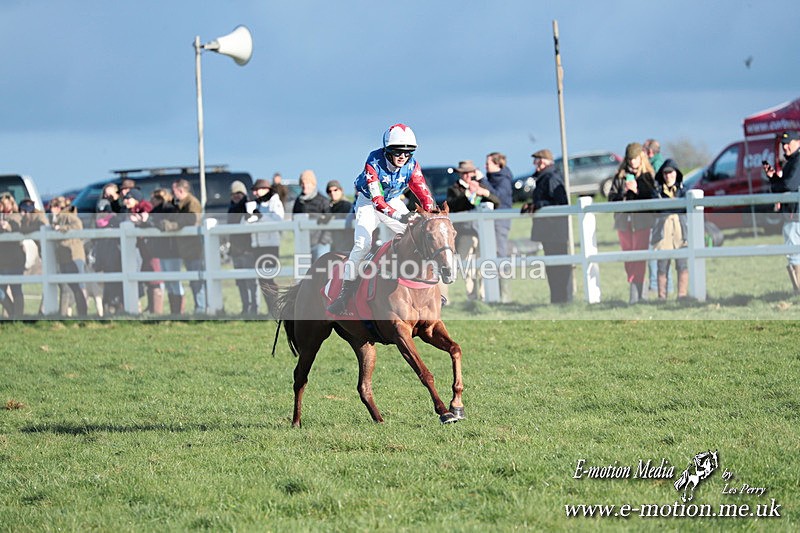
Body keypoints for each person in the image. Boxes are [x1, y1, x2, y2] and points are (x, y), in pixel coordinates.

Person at [327, 123, 436, 315]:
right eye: (397, 151)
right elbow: (377, 201)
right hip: (368, 202)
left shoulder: (412, 165)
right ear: (387, 150)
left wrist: (430, 214)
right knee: (363, 244)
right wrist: (400, 216)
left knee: (416, 236)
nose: (403, 156)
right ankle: (344, 294)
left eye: (408, 151)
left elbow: (422, 192)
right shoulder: (374, 162)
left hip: (392, 199)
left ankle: (425, 287)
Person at [608, 142, 657, 304]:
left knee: (639, 256)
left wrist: (637, 191)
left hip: (642, 222)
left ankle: (637, 295)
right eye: (630, 159)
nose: (632, 162)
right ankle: (635, 291)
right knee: (628, 257)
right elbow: (611, 198)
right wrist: (624, 192)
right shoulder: (620, 177)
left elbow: (651, 198)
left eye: (635, 159)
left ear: (641, 158)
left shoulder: (647, 176)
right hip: (624, 222)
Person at [523, 149, 573, 304]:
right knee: (552, 266)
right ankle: (557, 299)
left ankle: (561, 299)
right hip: (550, 230)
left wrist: (539, 205)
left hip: (554, 230)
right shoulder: (545, 177)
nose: (534, 164)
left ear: (544, 162)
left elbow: (560, 202)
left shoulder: (550, 177)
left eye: (537, 161)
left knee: (558, 266)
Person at [446, 160, 500, 302]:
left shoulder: (481, 186)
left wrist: (483, 192)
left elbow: (496, 201)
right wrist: (468, 194)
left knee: (483, 265)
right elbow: (453, 206)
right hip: (465, 233)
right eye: (464, 173)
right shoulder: (454, 189)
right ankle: (471, 297)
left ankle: (483, 296)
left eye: (470, 173)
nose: (468, 176)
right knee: (467, 267)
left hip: (482, 233)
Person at [764, 130, 800, 293]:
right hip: (793, 214)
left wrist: (776, 184)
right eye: (783, 144)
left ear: (798, 142)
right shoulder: (793, 160)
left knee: (793, 254)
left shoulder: (797, 160)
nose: (785, 146)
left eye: (788, 143)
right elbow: (786, 185)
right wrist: (774, 178)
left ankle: (798, 292)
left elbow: (789, 186)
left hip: (795, 216)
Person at [651, 159, 689, 299]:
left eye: (671, 172)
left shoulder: (684, 191)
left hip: (681, 231)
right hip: (663, 233)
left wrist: (669, 207)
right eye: (665, 173)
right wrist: (674, 206)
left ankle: (682, 296)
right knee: (662, 266)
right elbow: (658, 209)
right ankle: (662, 297)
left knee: (682, 264)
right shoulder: (656, 192)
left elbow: (683, 207)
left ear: (676, 174)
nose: (668, 176)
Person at [247, 178, 285, 315]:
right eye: (255, 190)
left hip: (270, 244)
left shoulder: (275, 202)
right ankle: (271, 309)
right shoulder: (254, 204)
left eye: (258, 190)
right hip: (257, 244)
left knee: (269, 278)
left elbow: (278, 220)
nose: (256, 193)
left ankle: (275, 308)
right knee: (262, 279)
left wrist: (261, 217)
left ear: (266, 189)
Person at [168, 179, 205, 314]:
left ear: (181, 190)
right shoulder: (181, 203)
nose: (173, 194)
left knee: (197, 280)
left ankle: (201, 308)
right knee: (194, 280)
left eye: (174, 191)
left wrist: (174, 225)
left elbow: (192, 219)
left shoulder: (192, 203)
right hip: (186, 248)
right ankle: (199, 307)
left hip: (194, 248)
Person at [49, 196, 88, 317]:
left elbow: (78, 226)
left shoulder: (67, 216)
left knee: (77, 286)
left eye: (53, 207)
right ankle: (69, 313)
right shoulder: (57, 218)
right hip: (64, 255)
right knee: (70, 286)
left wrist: (61, 228)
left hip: (74, 255)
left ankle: (81, 313)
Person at [125, 188, 162, 314]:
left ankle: (157, 310)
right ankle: (151, 307)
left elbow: (149, 223)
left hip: (152, 248)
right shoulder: (132, 210)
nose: (126, 201)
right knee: (148, 278)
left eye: (128, 198)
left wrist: (139, 220)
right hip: (144, 250)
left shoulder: (144, 207)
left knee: (154, 279)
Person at [149, 189, 185, 314]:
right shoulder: (156, 211)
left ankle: (179, 310)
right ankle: (174, 311)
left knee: (174, 281)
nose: (152, 201)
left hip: (172, 250)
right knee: (169, 282)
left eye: (155, 198)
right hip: (163, 251)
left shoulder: (170, 209)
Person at [484, 151, 514, 303]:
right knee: (491, 255)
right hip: (493, 221)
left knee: (500, 255)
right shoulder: (494, 178)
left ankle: (505, 294)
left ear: (498, 164)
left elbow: (498, 198)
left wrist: (483, 182)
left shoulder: (504, 180)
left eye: (488, 163)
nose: (485, 166)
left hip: (500, 221)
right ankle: (496, 293)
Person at [227, 180, 257, 315]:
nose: (236, 196)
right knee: (240, 281)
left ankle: (255, 307)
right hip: (236, 250)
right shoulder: (231, 208)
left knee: (251, 281)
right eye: (234, 193)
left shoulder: (248, 206)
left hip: (247, 249)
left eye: (239, 193)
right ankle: (245, 307)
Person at [644, 138, 668, 295]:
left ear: (650, 152)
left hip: (657, 214)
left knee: (655, 249)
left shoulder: (655, 166)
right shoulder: (661, 164)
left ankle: (655, 285)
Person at [292, 169, 331, 263]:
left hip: (320, 243)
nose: (305, 186)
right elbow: (294, 219)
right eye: (303, 183)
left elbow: (330, 220)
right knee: (305, 273)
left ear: (314, 184)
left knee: (321, 272)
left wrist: (323, 241)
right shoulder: (298, 201)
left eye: (308, 183)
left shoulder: (323, 201)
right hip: (304, 243)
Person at [0, 193, 25, 318]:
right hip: (2, 260)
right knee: (1, 291)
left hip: (15, 259)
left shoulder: (16, 216)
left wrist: (7, 226)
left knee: (16, 289)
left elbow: (17, 227)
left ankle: (18, 316)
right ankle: (12, 313)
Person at [325, 179, 354, 252]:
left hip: (345, 242)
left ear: (341, 190)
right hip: (330, 242)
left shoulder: (347, 205)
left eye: (335, 190)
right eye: (329, 191)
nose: (332, 193)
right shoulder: (326, 206)